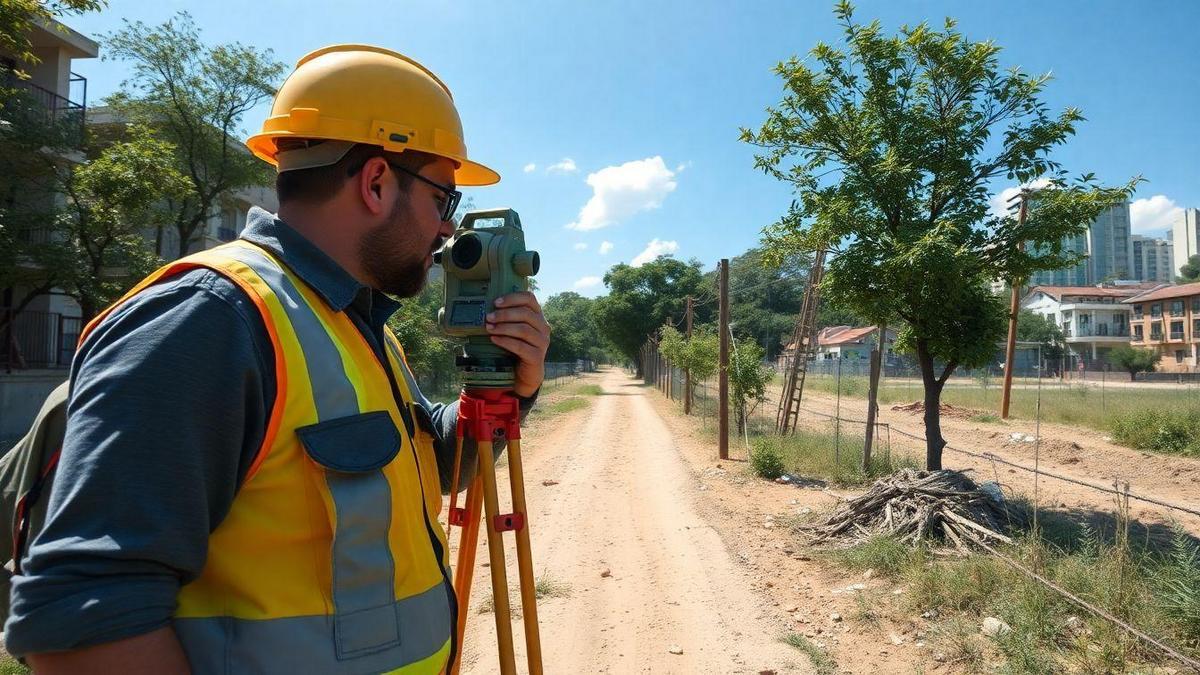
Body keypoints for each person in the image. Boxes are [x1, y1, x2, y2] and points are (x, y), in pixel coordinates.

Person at [4, 44, 550, 674]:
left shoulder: (350, 325)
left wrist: (505, 390)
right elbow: (84, 617)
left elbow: (429, 470)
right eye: (443, 200)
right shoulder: (210, 321)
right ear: (376, 182)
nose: (448, 232)